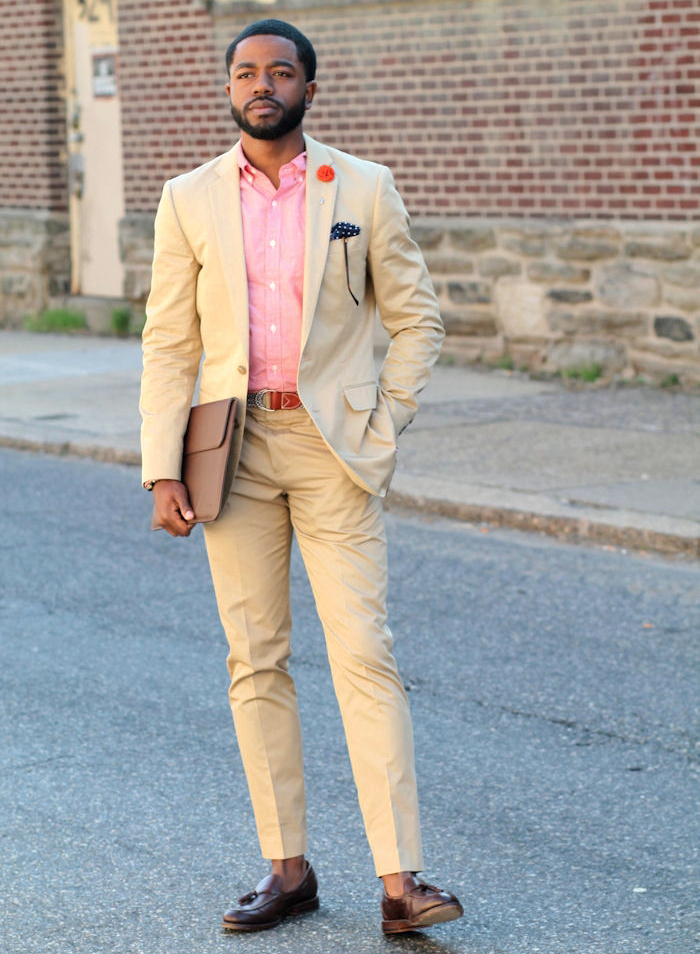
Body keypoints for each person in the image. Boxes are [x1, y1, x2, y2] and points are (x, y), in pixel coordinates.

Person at [140, 18, 463, 935]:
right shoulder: (189, 198)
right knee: (256, 660)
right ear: (229, 88)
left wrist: (383, 418)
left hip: (333, 451)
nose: (262, 82)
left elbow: (419, 320)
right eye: (246, 71)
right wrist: (161, 468)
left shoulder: (362, 187)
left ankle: (402, 882)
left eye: (281, 70)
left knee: (365, 655)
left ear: (309, 89)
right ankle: (288, 869)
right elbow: (172, 341)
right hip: (231, 453)